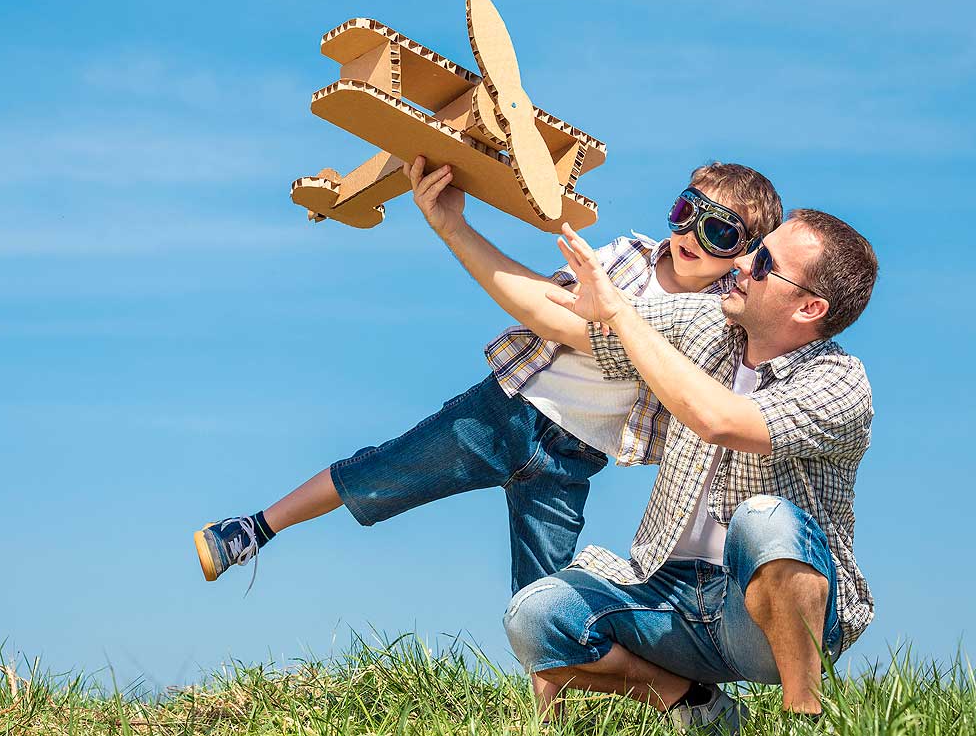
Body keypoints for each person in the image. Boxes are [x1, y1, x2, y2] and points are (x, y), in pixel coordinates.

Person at [192, 157, 783, 593]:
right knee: (378, 470)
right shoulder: (628, 254)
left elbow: (563, 322)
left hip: (574, 458)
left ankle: (546, 714)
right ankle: (254, 529)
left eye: (720, 232)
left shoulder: (714, 321)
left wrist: (455, 230)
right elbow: (549, 306)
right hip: (508, 408)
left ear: (748, 253)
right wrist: (452, 222)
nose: (691, 237)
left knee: (542, 596)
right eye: (686, 213)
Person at [444, 179, 880, 730]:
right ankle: (693, 703)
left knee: (765, 519)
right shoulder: (705, 323)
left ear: (810, 307)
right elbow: (563, 319)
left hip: (766, 623)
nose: (744, 262)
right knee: (535, 616)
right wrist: (452, 227)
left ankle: (805, 716)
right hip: (669, 598)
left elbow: (719, 419)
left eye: (766, 262)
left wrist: (625, 319)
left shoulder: (840, 381)